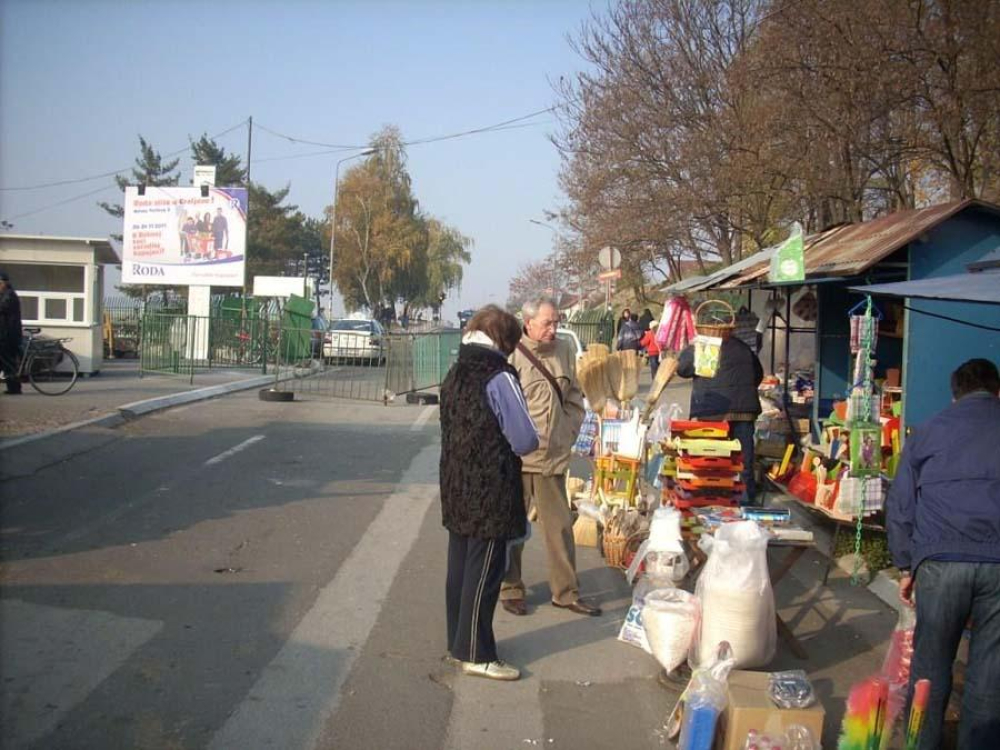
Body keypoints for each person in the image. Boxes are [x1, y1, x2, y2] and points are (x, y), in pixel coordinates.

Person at [886, 358, 1000, 749]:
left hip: (939, 560)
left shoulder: (929, 431)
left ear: (955, 395)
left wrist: (905, 564)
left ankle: (921, 744)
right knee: (990, 671)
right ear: (997, 391)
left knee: (930, 669)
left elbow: (901, 503)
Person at [440, 305, 539, 681]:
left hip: (455, 482)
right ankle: (477, 653)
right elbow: (525, 438)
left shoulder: (456, 371)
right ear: (504, 340)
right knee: (485, 572)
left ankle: (458, 641)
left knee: (460, 568)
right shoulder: (499, 375)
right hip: (490, 487)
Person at [500, 297, 601, 617]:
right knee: (513, 527)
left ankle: (565, 591)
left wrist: (567, 432)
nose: (553, 329)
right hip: (516, 457)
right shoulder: (511, 353)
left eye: (556, 322)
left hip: (553, 456)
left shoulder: (565, 351)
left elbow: (574, 398)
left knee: (559, 528)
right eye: (547, 323)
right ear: (528, 323)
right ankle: (510, 587)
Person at [676, 333, 763, 504]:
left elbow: (682, 369)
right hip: (743, 411)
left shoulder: (702, 346)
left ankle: (712, 499)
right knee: (743, 458)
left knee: (711, 459)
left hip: (712, 411)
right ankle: (745, 502)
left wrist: (691, 348)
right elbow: (758, 374)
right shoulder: (742, 347)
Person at [0, 270, 23, 395]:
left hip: (9, 334)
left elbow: (2, 308)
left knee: (8, 361)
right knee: (7, 361)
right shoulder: (5, 294)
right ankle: (13, 387)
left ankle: (14, 388)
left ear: (4, 283)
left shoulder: (9, 295)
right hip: (6, 333)